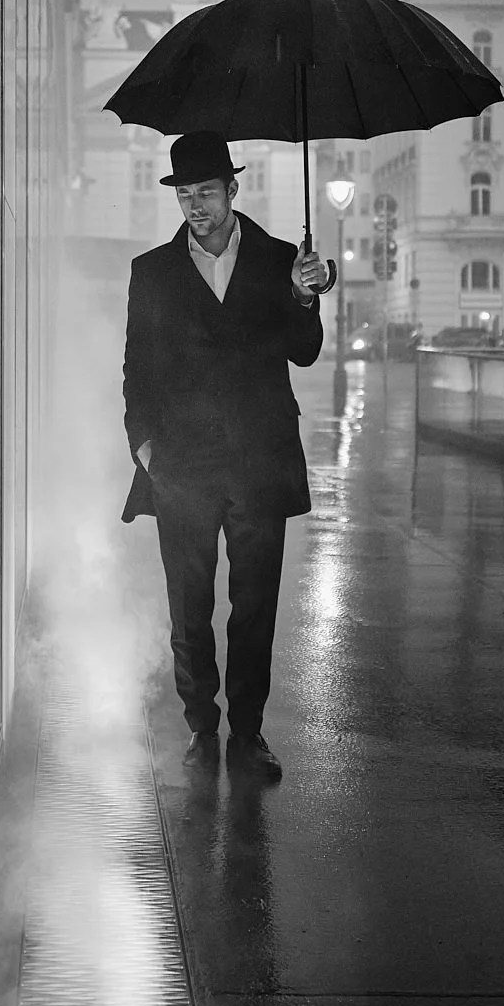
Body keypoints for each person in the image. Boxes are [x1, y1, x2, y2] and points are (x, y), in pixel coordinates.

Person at [121, 131, 326, 780]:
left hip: (257, 460)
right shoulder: (152, 270)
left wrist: (303, 295)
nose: (195, 205)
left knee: (254, 605)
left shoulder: (276, 259)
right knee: (188, 605)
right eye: (185, 194)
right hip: (180, 463)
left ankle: (249, 733)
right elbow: (138, 369)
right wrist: (145, 445)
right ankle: (201, 730)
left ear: (233, 189)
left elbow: (304, 350)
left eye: (206, 192)